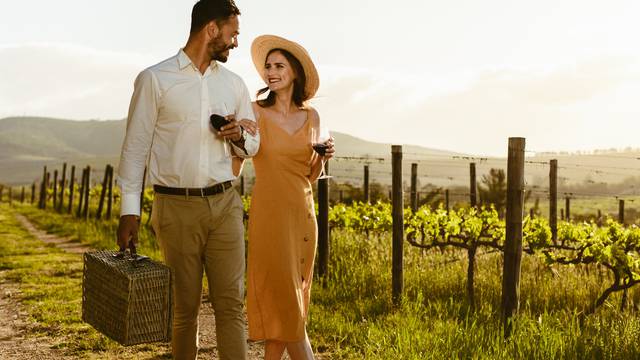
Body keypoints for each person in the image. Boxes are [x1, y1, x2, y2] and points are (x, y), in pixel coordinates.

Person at [116, 1, 259, 359]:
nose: (235, 42)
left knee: (231, 306)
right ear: (212, 29)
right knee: (184, 310)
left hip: (225, 203)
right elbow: (135, 149)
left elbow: (254, 144)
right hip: (174, 206)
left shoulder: (235, 84)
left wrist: (238, 136)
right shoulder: (155, 79)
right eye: (233, 33)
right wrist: (128, 212)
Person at [243, 35, 335, 360]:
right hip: (269, 217)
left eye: (279, 65)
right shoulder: (254, 112)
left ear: (294, 72)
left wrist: (323, 158)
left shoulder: (313, 118)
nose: (271, 71)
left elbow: (308, 176)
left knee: (290, 305)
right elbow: (241, 150)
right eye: (268, 66)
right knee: (288, 305)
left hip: (303, 217)